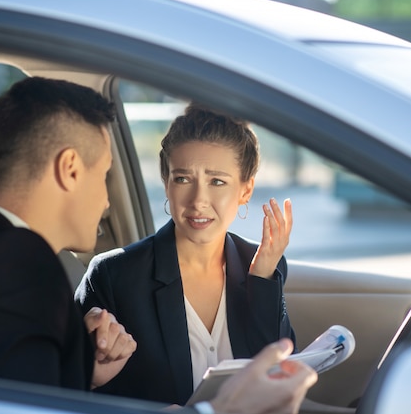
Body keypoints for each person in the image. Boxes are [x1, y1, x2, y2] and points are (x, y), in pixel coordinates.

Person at [0, 77, 316, 414]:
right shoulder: (13, 272)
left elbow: (20, 391)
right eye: (104, 175)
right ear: (70, 169)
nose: (107, 201)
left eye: (217, 181)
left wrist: (85, 372)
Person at [75, 104, 296, 405]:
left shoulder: (262, 266)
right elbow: (74, 390)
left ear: (246, 190)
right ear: (166, 182)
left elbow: (277, 378)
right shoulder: (113, 276)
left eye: (217, 181)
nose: (198, 201)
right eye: (182, 179)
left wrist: (262, 280)